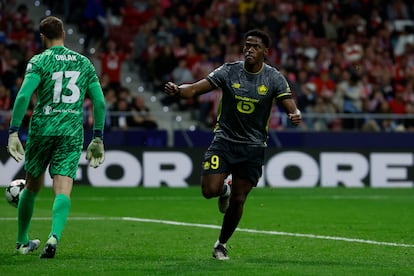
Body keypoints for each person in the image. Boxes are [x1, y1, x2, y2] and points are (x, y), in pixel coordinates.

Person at [164, 29, 302, 260]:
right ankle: (223, 190)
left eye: (255, 46)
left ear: (265, 52)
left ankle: (221, 244)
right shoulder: (229, 71)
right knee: (209, 191)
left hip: (253, 147)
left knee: (239, 199)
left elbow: (288, 102)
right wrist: (179, 90)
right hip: (224, 141)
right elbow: (197, 88)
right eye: (247, 45)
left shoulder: (274, 78)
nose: (249, 49)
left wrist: (294, 113)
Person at [7, 16, 106, 259]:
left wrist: (13, 131)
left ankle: (22, 242)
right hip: (71, 131)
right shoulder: (84, 63)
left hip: (42, 129)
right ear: (63, 33)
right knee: (63, 188)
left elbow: (22, 98)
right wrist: (98, 137)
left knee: (31, 185)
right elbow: (100, 102)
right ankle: (54, 235)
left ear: (42, 37)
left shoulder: (39, 61)